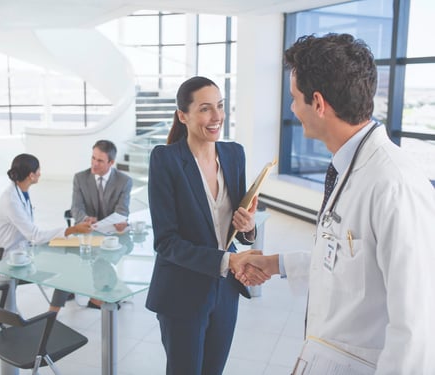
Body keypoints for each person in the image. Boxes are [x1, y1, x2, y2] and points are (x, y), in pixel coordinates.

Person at [234, 33, 435, 373]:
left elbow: (417, 328)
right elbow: (346, 261)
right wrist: (274, 263)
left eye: (294, 98)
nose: (292, 109)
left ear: (318, 103)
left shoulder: (394, 184)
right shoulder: (350, 167)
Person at [145, 76, 265, 375]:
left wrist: (249, 226)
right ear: (182, 115)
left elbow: (238, 224)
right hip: (182, 291)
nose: (217, 117)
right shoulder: (166, 160)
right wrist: (228, 259)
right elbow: (166, 242)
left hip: (225, 291)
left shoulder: (234, 154)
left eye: (221, 106)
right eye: (205, 109)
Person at [0, 153, 92, 375]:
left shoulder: (21, 192)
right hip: (10, 262)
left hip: (25, 253)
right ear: (31, 175)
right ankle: (23, 345)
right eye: (38, 170)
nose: (40, 174)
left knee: (67, 263)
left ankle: (65, 304)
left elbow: (31, 235)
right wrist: (71, 229)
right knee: (8, 316)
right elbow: (34, 235)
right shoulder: (11, 199)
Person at [50, 139, 133, 311]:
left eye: (100, 160)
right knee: (72, 262)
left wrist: (120, 222)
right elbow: (76, 207)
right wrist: (85, 218)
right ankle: (92, 294)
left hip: (111, 235)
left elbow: (122, 210)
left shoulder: (124, 181)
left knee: (112, 254)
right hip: (86, 233)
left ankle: (102, 294)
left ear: (111, 162)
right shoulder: (80, 178)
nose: (94, 164)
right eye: (93, 158)